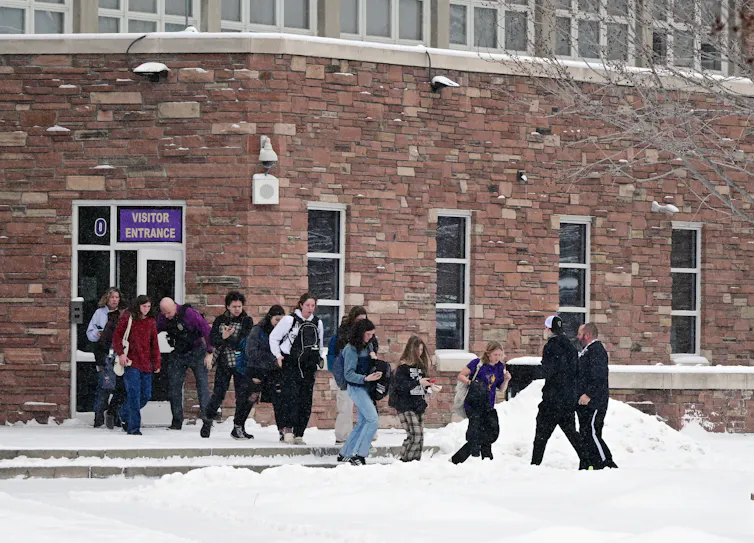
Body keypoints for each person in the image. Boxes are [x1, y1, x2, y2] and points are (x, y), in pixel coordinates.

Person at [269, 293, 324, 445]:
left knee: (305, 399)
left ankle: (300, 432)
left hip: (308, 365)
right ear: (301, 305)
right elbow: (274, 337)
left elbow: (319, 343)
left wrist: (319, 358)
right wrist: (278, 356)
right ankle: (287, 429)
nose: (310, 309)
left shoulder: (317, 322)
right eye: (307, 305)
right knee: (289, 396)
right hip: (291, 363)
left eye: (313, 306)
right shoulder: (290, 320)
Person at [531, 315, 586, 467]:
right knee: (571, 432)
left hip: (552, 399)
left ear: (549, 329)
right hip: (568, 399)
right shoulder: (571, 347)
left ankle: (535, 464)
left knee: (541, 434)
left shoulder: (550, 347)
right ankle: (588, 460)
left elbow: (548, 371)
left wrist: (530, 373)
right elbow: (576, 372)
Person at [200, 291, 254, 439]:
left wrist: (226, 338)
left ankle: (238, 427)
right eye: (234, 306)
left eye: (240, 306)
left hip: (241, 363)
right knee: (218, 394)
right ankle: (208, 420)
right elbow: (213, 339)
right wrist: (223, 338)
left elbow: (244, 342)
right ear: (228, 307)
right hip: (224, 362)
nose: (237, 309)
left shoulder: (246, 320)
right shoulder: (220, 320)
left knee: (242, 396)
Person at [157, 297, 213, 430]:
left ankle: (207, 419)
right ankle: (177, 421)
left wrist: (209, 352)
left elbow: (206, 330)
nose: (167, 316)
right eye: (164, 314)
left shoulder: (189, 314)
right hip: (178, 353)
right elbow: (154, 331)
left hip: (197, 351)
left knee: (202, 385)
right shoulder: (162, 317)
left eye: (169, 313)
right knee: (174, 386)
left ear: (175, 307)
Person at [451, 341, 511, 464]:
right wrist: (471, 383)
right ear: (488, 354)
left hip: (488, 404)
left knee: (489, 432)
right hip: (474, 403)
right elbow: (461, 375)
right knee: (475, 431)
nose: (497, 357)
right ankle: (473, 458)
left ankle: (482, 458)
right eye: (495, 354)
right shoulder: (477, 364)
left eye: (500, 355)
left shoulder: (499, 367)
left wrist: (506, 380)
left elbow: (501, 388)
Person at [328, 306, 379, 445]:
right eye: (358, 320)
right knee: (345, 405)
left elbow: (374, 352)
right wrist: (334, 369)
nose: (361, 323)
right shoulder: (344, 335)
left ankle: (369, 433)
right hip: (346, 374)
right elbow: (335, 354)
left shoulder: (370, 338)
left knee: (367, 405)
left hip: (364, 375)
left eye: (364, 319)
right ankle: (343, 435)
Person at [111, 295, 161, 435]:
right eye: (144, 306)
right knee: (134, 394)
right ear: (138, 306)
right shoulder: (128, 318)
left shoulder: (151, 322)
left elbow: (154, 344)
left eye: (148, 307)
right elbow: (117, 337)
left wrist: (156, 362)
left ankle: (124, 413)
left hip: (146, 363)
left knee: (146, 395)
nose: (146, 309)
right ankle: (134, 427)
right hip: (131, 362)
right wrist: (121, 353)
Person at [337, 319, 383, 465]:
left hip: (366, 387)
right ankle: (360, 454)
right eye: (368, 334)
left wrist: (375, 361)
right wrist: (365, 378)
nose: (370, 337)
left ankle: (346, 452)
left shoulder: (368, 346)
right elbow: (348, 374)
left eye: (372, 334)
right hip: (356, 387)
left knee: (363, 422)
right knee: (373, 419)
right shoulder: (351, 349)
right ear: (360, 333)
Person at [576, 323, 617, 470]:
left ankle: (607, 462)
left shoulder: (596, 351)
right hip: (586, 402)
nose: (577, 337)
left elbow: (598, 376)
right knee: (586, 432)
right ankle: (589, 463)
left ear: (587, 335)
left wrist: (589, 394)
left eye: (579, 334)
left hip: (595, 401)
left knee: (592, 431)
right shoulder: (587, 351)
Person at [86, 287, 126, 429]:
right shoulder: (99, 313)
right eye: (112, 297)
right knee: (104, 385)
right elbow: (90, 332)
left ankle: (114, 413)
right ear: (107, 299)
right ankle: (98, 416)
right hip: (103, 352)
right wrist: (97, 334)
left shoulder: (123, 314)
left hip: (119, 353)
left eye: (117, 297)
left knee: (120, 387)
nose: (114, 300)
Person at [389, 335, 434, 462]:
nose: (420, 353)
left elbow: (423, 384)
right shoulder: (402, 368)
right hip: (404, 404)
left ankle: (414, 462)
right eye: (417, 350)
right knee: (416, 435)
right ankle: (405, 462)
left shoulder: (421, 366)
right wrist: (419, 382)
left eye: (421, 350)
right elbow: (401, 386)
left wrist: (430, 388)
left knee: (419, 438)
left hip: (418, 403)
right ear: (411, 350)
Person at [244, 305, 286, 440]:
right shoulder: (258, 330)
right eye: (277, 319)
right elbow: (251, 351)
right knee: (251, 397)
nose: (279, 323)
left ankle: (283, 430)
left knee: (279, 400)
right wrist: (272, 359)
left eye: (282, 320)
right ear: (270, 318)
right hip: (258, 368)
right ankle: (238, 425)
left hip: (275, 371)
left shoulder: (284, 332)